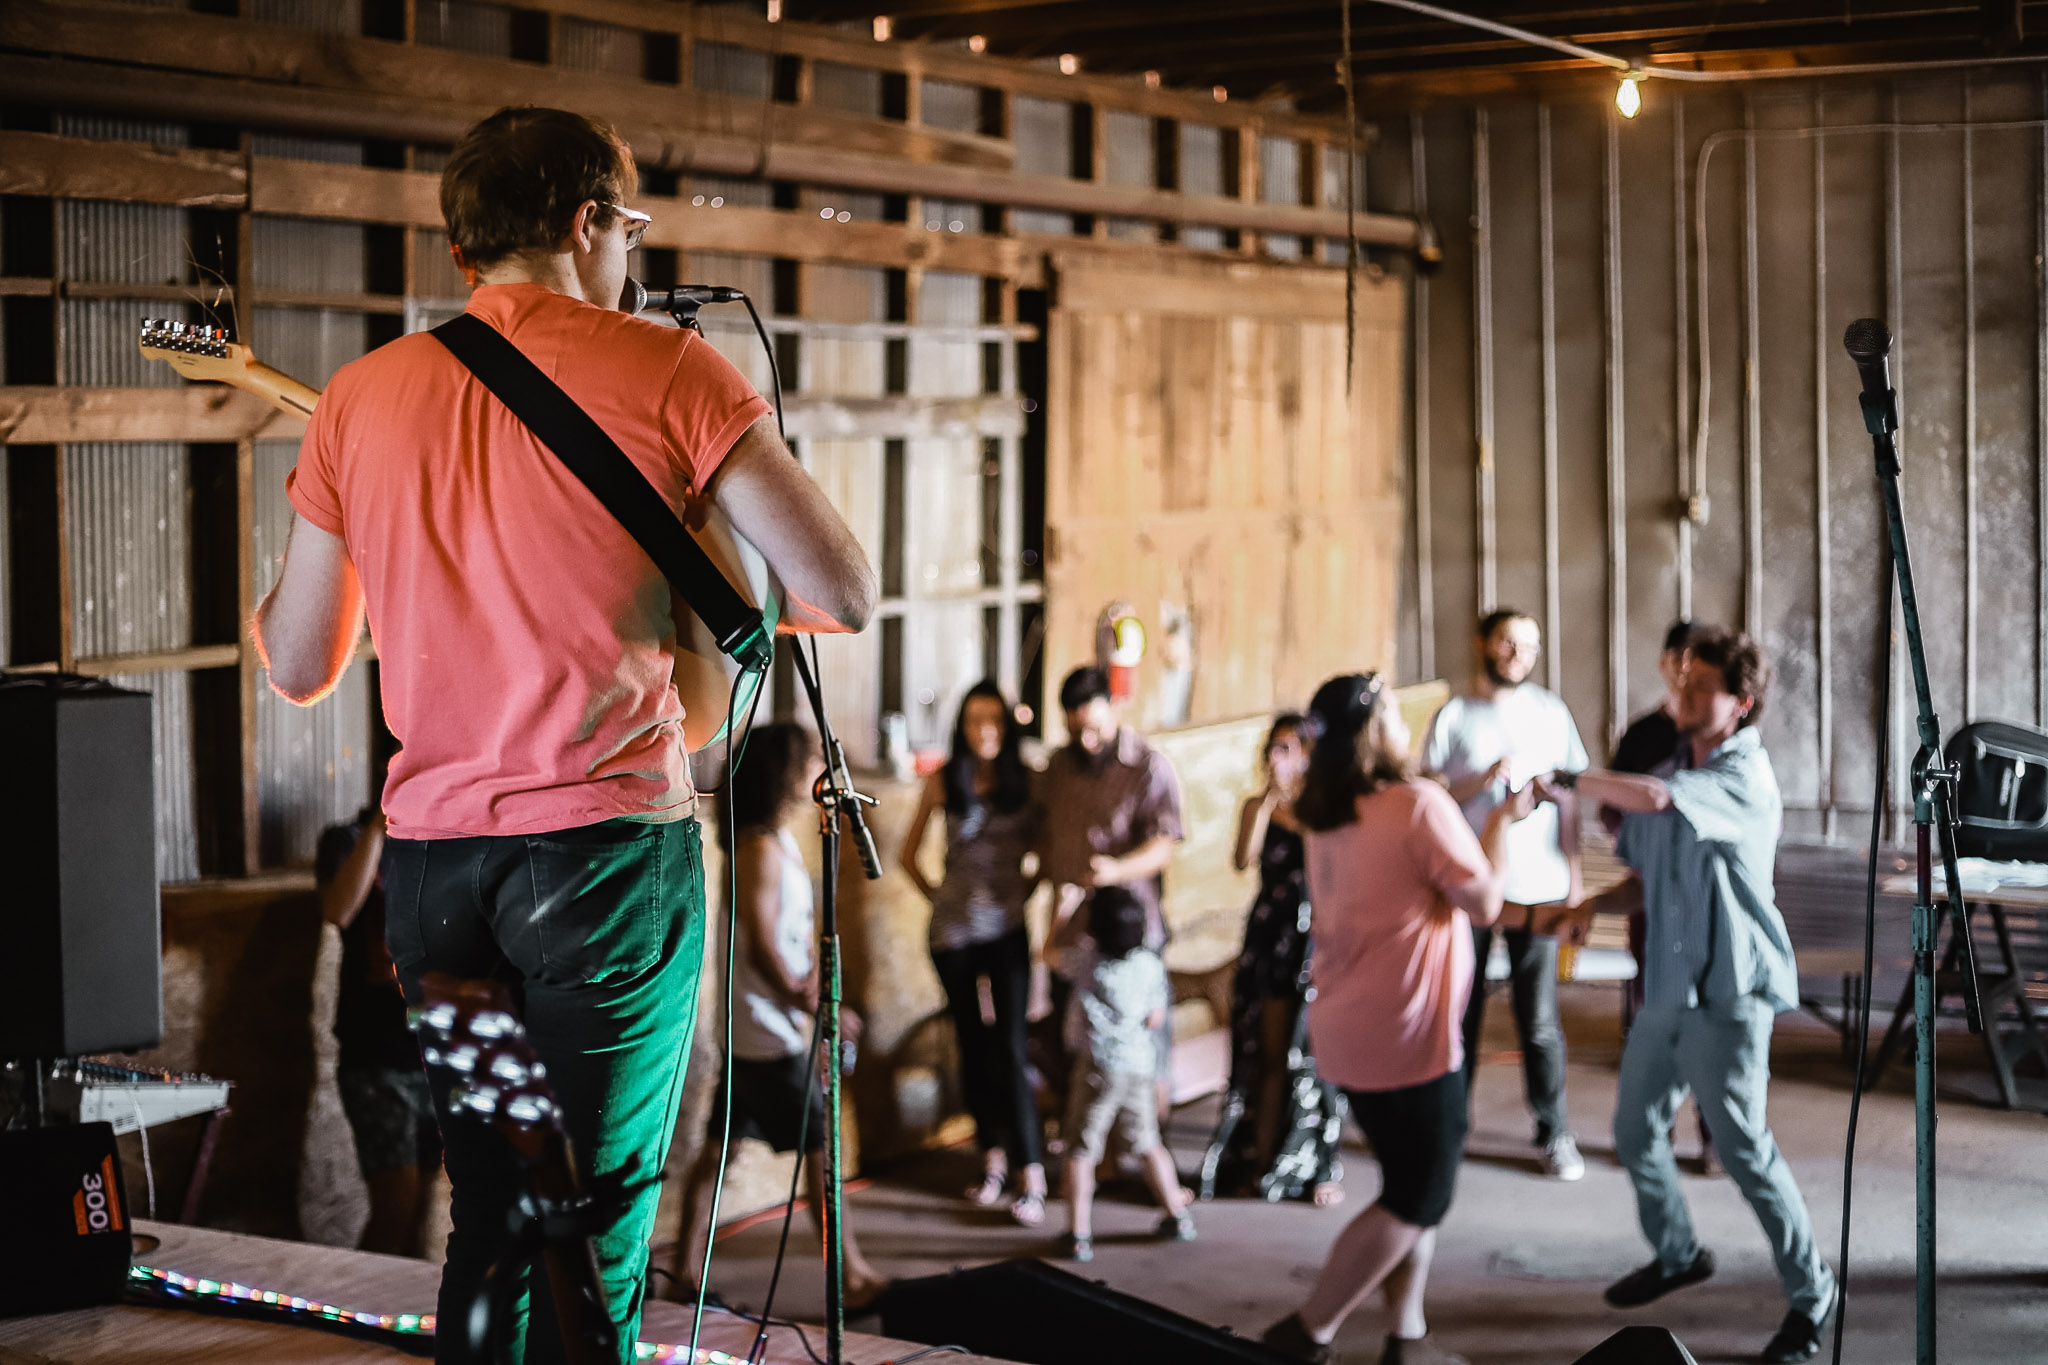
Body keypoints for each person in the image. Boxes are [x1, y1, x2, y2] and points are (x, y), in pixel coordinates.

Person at [254, 106, 874, 1363]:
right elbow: (839, 592)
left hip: (434, 880)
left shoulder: (359, 398)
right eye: (627, 229)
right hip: (602, 866)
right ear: (589, 222)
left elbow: (301, 664)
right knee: (594, 1232)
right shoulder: (673, 370)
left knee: (491, 1217)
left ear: (466, 248)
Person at [1565, 628, 1837, 1365]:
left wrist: (1571, 777)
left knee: (1744, 1148)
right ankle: (1678, 1250)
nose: (1683, 694)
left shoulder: (1743, 774)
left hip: (1730, 991)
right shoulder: (1665, 770)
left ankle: (1813, 1296)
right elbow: (1643, 881)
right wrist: (1590, 906)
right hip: (1667, 990)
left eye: (1702, 686)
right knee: (1634, 1131)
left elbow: (1658, 800)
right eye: (1682, 682)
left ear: (1741, 702)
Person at [1262, 673, 1551, 1365]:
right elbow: (1484, 902)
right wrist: (1501, 822)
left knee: (1404, 1183)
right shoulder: (1417, 805)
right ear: (1373, 729)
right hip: (1407, 1034)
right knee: (1421, 1198)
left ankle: (1407, 1335)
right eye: (1392, 711)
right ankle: (1307, 1332)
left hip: (1348, 1028)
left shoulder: (1323, 812)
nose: (1404, 724)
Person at [668, 724, 886, 1308]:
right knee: (819, 1151)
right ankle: (850, 1275)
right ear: (781, 776)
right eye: (807, 764)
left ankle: (685, 1270)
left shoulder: (772, 841)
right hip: (768, 1030)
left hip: (760, 1026)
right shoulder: (759, 849)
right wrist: (809, 1003)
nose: (816, 773)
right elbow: (763, 946)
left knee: (722, 1148)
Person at [1422, 608, 1589, 1181]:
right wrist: (1485, 778)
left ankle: (1554, 1132)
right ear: (1483, 644)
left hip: (1538, 887)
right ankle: (1449, 1129)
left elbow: (1570, 801)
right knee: (1460, 1013)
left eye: (1530, 645)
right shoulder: (1454, 716)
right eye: (1509, 642)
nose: (1520, 655)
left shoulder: (1551, 713)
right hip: (1468, 887)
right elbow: (1431, 797)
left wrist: (1575, 880)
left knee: (1537, 1017)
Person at [899, 680, 1047, 1227]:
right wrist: (939, 897)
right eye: (974, 721)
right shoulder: (944, 779)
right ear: (961, 728)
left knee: (1011, 1047)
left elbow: (1045, 853)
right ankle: (992, 1161)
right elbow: (907, 854)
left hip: (1007, 932)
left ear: (1007, 727)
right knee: (972, 1047)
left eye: (995, 720)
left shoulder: (1027, 782)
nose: (985, 730)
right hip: (954, 936)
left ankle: (1031, 1170)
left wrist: (1024, 893)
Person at [1200, 713, 1346, 1207]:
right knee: (1262, 1052)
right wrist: (1266, 803)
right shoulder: (1257, 804)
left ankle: (1315, 1165)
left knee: (1309, 1055)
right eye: (1272, 748)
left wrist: (1298, 803)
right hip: (1268, 934)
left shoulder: (1321, 808)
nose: (1277, 758)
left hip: (1310, 938)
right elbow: (1243, 859)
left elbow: (1328, 865)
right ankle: (1258, 1160)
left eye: (1288, 748)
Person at [1036, 666, 1185, 1125]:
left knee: (1146, 1051)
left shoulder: (1148, 766)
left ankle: (1149, 1144)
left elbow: (1164, 845)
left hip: (1129, 939)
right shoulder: (1058, 767)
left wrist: (1116, 870)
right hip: (1074, 937)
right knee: (1074, 1047)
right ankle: (1088, 1145)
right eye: (1075, 730)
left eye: (1094, 729)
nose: (1085, 741)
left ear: (1114, 708)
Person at [1611, 619, 1718, 1175]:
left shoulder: (1725, 743)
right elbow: (1614, 810)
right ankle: (1652, 1134)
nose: (1690, 678)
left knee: (1712, 1020)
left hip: (1709, 907)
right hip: (1654, 903)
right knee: (1654, 1014)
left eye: (1704, 670)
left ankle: (1716, 1138)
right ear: (1666, 664)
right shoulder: (1642, 736)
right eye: (1683, 663)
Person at [319, 802, 438, 1257]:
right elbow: (338, 911)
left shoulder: (441, 836)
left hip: (432, 1052)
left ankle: (411, 1303)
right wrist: (378, 826)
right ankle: (364, 1302)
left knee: (423, 1209)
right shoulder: (348, 840)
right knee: (396, 1206)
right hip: (376, 1055)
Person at [1057, 885, 1197, 1263]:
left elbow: (1049, 953)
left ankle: (1077, 1234)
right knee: (1148, 1142)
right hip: (1140, 1067)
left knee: (1082, 1148)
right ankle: (1177, 1216)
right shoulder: (1150, 964)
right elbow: (1155, 1019)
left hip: (1098, 1069)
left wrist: (1063, 908)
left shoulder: (1087, 961)